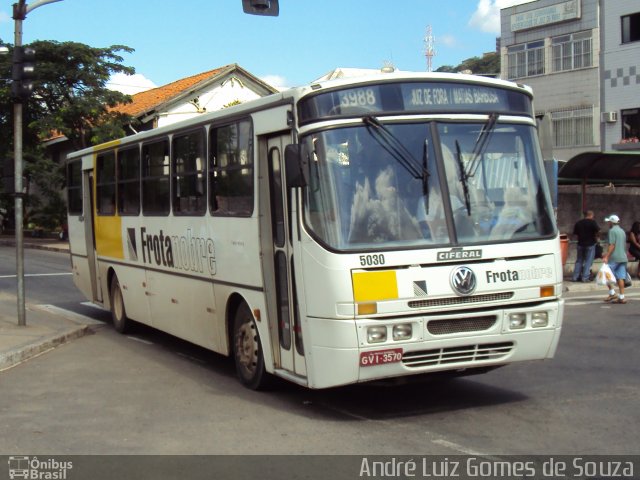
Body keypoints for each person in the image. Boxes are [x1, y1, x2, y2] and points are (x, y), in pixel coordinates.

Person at [602, 214, 628, 304]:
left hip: (614, 257)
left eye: (609, 221)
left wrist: (606, 256)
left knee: (606, 274)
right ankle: (622, 297)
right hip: (623, 257)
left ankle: (612, 293)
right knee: (621, 277)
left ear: (611, 222)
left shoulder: (612, 231)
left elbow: (612, 245)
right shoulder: (622, 231)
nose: (608, 223)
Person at [571, 210, 600, 282]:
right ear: (591, 215)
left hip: (580, 244)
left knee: (579, 261)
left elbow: (575, 234)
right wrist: (597, 239)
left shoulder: (578, 223)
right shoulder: (593, 223)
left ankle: (575, 277)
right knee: (588, 261)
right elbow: (598, 231)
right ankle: (585, 277)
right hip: (590, 244)